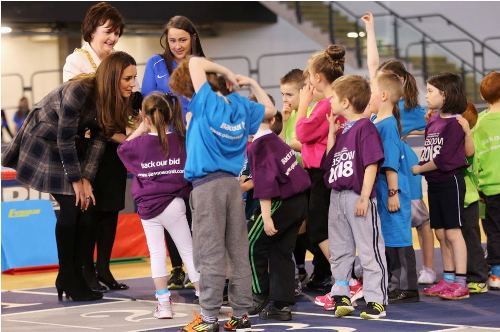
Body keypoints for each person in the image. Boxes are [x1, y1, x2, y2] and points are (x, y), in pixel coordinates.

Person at [1, 51, 137, 301]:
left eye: (134, 78)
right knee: (71, 205)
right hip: (44, 141)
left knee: (83, 206)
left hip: (68, 147)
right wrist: (76, 180)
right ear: (113, 77)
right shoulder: (80, 90)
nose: (133, 84)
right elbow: (64, 137)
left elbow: (98, 141)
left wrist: (86, 179)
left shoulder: (111, 99)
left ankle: (71, 275)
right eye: (128, 78)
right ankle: (68, 276)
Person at [169, 56, 275, 332]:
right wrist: (249, 81)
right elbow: (270, 110)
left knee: (210, 252)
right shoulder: (239, 107)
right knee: (238, 252)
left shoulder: (206, 103)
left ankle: (208, 317)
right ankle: (241, 314)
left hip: (207, 187)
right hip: (231, 185)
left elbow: (193, 62)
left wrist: (224, 70)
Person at [362, 12, 436, 285]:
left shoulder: (409, 109)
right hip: (385, 170)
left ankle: (427, 267)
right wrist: (370, 29)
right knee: (392, 222)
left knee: (420, 219)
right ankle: (392, 272)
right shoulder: (377, 107)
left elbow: (438, 124)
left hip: (403, 168)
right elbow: (372, 64)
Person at [63, 1, 130, 292]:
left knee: (112, 209)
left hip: (114, 148)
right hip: (88, 149)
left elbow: (128, 99)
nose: (112, 38)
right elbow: (83, 107)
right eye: (108, 31)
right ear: (91, 30)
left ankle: (104, 268)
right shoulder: (76, 61)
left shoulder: (118, 59)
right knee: (89, 212)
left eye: (116, 33)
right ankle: (86, 270)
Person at [117, 93, 200, 319]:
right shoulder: (180, 141)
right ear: (170, 114)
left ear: (144, 116)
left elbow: (122, 150)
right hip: (175, 204)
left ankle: (164, 305)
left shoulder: (140, 144)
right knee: (188, 251)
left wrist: (141, 129)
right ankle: (205, 298)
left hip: (147, 208)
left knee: (156, 255)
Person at [142, 15, 206, 290]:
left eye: (182, 39)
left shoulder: (202, 64)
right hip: (166, 143)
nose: (178, 45)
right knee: (170, 202)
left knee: (194, 205)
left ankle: (199, 266)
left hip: (196, 142)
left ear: (193, 38)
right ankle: (178, 267)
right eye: (172, 40)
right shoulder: (156, 64)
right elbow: (149, 101)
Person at [321, 75, 388, 319]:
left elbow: (371, 163)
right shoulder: (344, 130)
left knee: (369, 248)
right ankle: (341, 292)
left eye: (335, 98)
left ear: (346, 102)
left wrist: (364, 196)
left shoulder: (365, 127)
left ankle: (375, 299)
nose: (330, 101)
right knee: (339, 248)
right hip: (337, 196)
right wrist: (331, 132)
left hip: (357, 195)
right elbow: (328, 162)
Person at [246, 110, 310, 321]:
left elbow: (265, 184)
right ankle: (281, 304)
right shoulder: (275, 139)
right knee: (281, 249)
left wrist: (265, 217)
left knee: (252, 243)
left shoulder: (258, 146)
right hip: (299, 200)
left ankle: (260, 294)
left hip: (281, 202)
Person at [412, 73, 471, 300]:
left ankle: (461, 282)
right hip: (435, 184)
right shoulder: (434, 120)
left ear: (444, 95)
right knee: (440, 232)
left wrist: (418, 169)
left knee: (454, 232)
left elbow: (444, 159)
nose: (426, 95)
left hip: (450, 182)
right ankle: (447, 279)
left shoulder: (455, 124)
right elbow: (431, 151)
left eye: (430, 91)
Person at [296, 45, 346, 295]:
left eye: (308, 76)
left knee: (318, 230)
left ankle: (344, 280)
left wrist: (303, 103)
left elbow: (302, 132)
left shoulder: (326, 104)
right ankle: (344, 279)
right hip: (322, 173)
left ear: (317, 78)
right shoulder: (331, 102)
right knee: (322, 229)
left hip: (322, 174)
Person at [369, 72, 419, 304]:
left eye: (372, 89)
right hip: (380, 190)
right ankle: (393, 281)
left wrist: (393, 193)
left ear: (384, 95)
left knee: (399, 236)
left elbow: (390, 164)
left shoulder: (388, 125)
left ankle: (407, 287)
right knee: (388, 236)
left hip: (392, 189)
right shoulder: (376, 121)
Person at [279, 69, 309, 294]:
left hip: (308, 178)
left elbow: (303, 144)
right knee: (296, 229)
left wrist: (289, 145)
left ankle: (328, 273)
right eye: (282, 95)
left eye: (289, 94)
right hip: (292, 181)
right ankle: (298, 270)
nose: (285, 100)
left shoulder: (307, 112)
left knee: (309, 229)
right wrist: (285, 120)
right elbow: (281, 145)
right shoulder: (290, 117)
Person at [459, 102, 490, 294]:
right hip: (460, 198)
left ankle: (478, 277)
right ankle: (463, 274)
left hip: (468, 198)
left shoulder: (468, 145)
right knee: (462, 238)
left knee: (471, 238)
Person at [474, 71, 500, 291]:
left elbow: (475, 156)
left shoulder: (480, 123)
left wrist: (478, 183)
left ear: (483, 97)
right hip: (490, 188)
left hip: (489, 187)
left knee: (493, 230)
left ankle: (497, 274)